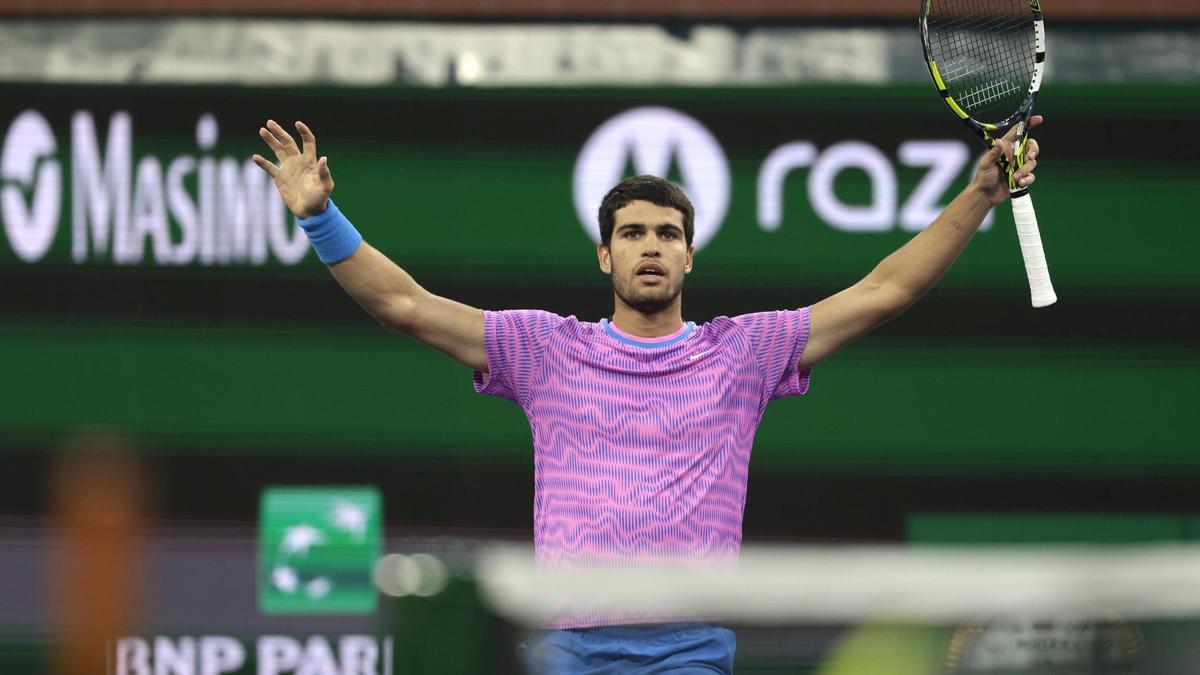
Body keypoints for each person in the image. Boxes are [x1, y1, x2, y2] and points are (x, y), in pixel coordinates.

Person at [252, 117, 1042, 674]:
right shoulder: (545, 348)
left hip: (689, 651)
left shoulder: (744, 352)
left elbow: (885, 289)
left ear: (689, 255)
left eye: (667, 233)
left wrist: (976, 195)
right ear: (605, 255)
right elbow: (406, 305)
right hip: (567, 648)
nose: (651, 246)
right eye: (633, 233)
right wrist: (320, 218)